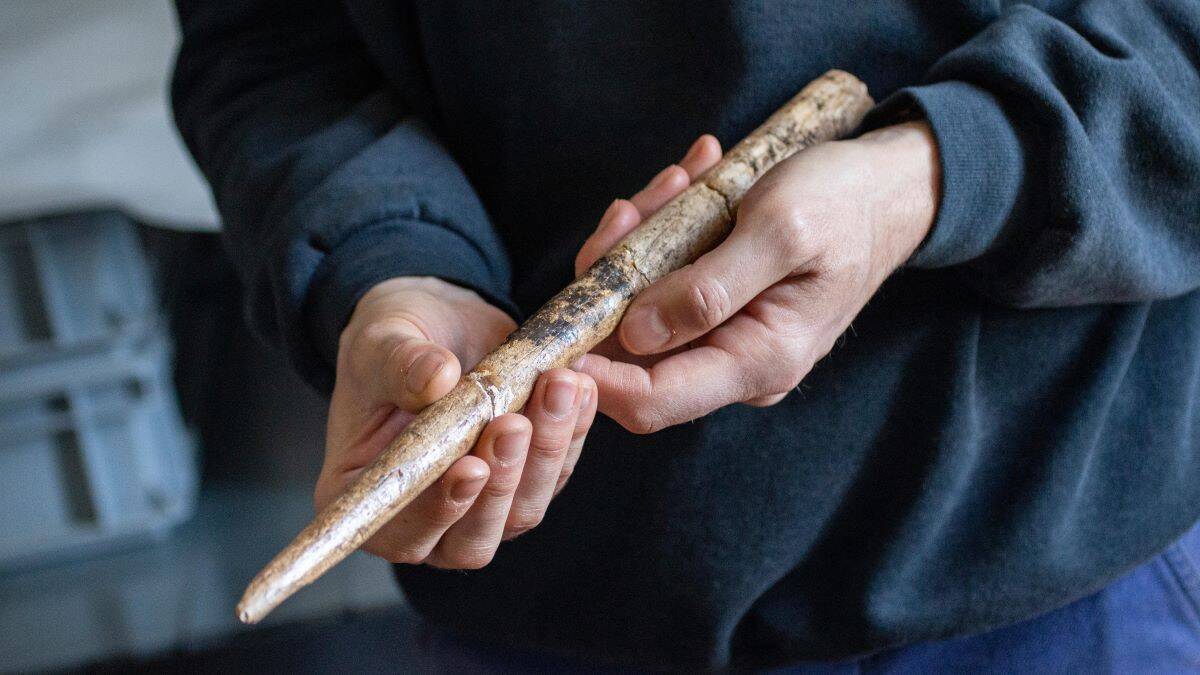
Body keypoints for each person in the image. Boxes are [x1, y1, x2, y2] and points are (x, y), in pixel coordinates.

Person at [172, 1, 1200, 671]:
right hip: (550, 614)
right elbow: (269, 43)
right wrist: (390, 253)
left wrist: (949, 169)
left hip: (1057, 566)